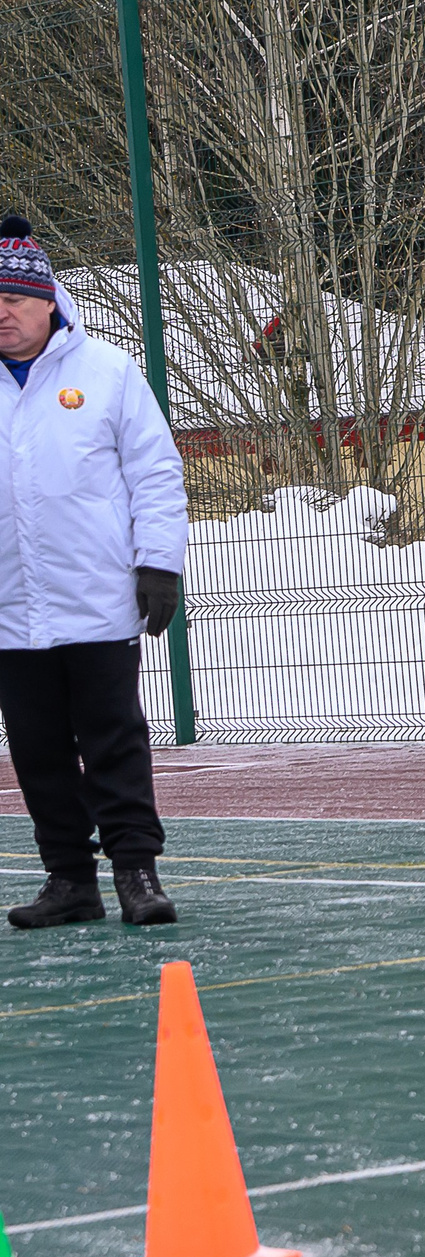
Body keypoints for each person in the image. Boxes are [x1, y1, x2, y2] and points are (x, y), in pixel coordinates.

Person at [0, 217, 185, 930]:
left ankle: (137, 871)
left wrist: (158, 561)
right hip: (11, 612)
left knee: (113, 742)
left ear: (48, 301)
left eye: (14, 299)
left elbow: (155, 473)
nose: (3, 313)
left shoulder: (107, 371)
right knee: (37, 752)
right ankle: (70, 880)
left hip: (96, 600)